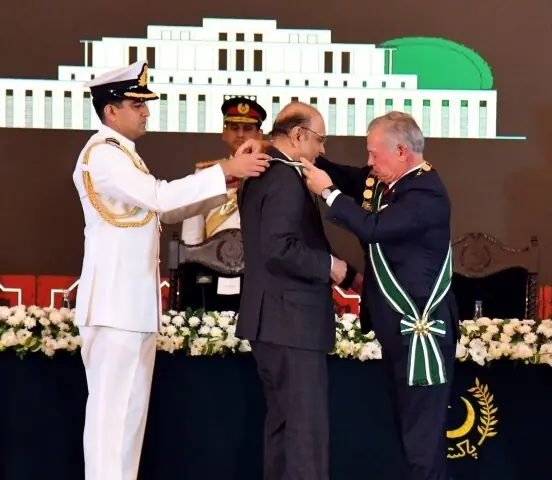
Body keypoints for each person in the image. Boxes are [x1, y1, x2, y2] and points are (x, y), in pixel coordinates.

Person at [73, 60, 268, 480]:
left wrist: (227, 184)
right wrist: (224, 171)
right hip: (112, 309)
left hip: (131, 310)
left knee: (128, 424)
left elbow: (170, 205)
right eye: (136, 104)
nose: (145, 111)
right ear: (111, 111)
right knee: (111, 425)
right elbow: (158, 197)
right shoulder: (102, 156)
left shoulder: (125, 157)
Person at [297, 111, 460, 480]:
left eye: (374, 155)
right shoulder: (392, 182)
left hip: (422, 334)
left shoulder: (426, 192)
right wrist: (309, 152)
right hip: (398, 331)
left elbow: (374, 228)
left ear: (402, 151)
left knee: (423, 441)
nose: (369, 163)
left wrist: (326, 191)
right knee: (410, 433)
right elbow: (355, 179)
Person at [235, 102, 356, 480]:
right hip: (292, 323)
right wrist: (331, 266)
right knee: (306, 435)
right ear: (299, 135)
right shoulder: (284, 178)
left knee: (284, 430)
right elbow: (279, 246)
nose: (322, 149)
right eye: (319, 139)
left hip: (271, 321)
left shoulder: (262, 171)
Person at [177, 96, 267, 312]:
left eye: (247, 128)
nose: (240, 134)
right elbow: (192, 232)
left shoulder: (271, 173)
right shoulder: (207, 173)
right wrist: (192, 266)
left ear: (260, 135)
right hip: (211, 270)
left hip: (259, 270)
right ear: (223, 132)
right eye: (234, 127)